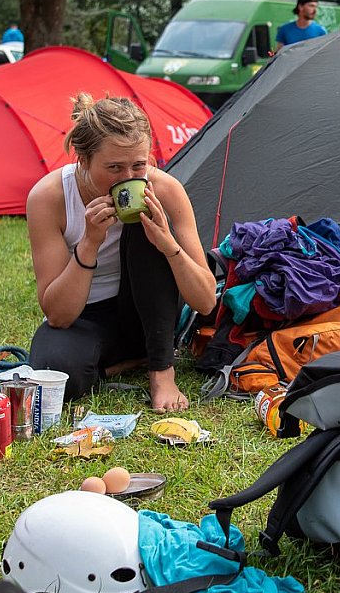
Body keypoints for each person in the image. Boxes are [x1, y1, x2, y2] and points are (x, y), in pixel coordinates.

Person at [26, 94, 216, 412]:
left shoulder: (165, 189)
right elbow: (58, 315)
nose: (128, 178)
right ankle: (124, 364)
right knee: (55, 376)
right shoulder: (49, 198)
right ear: (83, 161)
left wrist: (168, 244)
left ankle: (161, 370)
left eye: (138, 165)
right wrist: (89, 242)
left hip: (149, 314)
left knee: (144, 229)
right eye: (114, 167)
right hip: (85, 318)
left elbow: (206, 301)